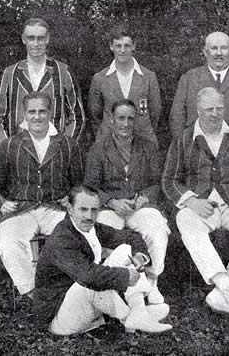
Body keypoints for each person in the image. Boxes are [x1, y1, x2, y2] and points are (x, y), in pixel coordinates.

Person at [162, 87, 229, 322]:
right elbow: (169, 180)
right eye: (209, 109)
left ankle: (223, 290)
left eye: (219, 108)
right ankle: (226, 288)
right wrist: (191, 201)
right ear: (198, 110)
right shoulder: (183, 139)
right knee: (186, 221)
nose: (214, 114)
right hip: (202, 206)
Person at [0, 91, 84, 297]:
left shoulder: (67, 144)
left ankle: (74, 291)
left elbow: (79, 183)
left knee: (77, 237)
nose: (37, 116)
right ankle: (34, 293)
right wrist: (1, 203)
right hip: (21, 209)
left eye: (42, 111)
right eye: (32, 112)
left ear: (50, 113)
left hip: (55, 207)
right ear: (24, 114)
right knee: (9, 244)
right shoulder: (9, 144)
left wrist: (72, 197)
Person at [34, 185, 172, 335]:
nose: (89, 216)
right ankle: (129, 316)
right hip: (60, 318)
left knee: (125, 250)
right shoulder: (62, 238)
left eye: (94, 210)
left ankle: (139, 311)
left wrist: (139, 255)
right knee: (88, 283)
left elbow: (131, 238)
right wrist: (125, 276)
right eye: (83, 209)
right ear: (70, 208)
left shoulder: (92, 227)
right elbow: (87, 276)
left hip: (83, 303)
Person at [84, 99, 170, 305]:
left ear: (136, 121)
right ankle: (113, 285)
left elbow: (158, 182)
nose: (125, 123)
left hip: (138, 206)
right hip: (109, 207)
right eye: (121, 118)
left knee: (156, 228)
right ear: (111, 120)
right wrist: (112, 201)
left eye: (130, 118)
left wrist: (144, 197)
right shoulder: (99, 148)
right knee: (101, 234)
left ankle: (151, 280)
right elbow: (90, 186)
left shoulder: (147, 147)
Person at [0, 17, 85, 146]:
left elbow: (78, 117)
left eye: (40, 38)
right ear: (23, 39)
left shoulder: (63, 72)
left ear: (47, 39)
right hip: (19, 154)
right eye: (31, 38)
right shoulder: (10, 73)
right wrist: (7, 150)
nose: (36, 43)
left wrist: (64, 148)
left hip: (54, 154)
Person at [169, 31, 229, 148]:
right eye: (214, 48)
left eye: (223, 48)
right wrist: (185, 149)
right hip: (198, 152)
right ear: (205, 52)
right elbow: (177, 117)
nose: (219, 53)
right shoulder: (189, 79)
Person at [88, 24, 161, 146]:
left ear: (134, 46)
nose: (122, 50)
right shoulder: (100, 78)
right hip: (109, 143)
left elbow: (155, 112)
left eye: (127, 45)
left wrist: (143, 130)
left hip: (143, 143)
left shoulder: (148, 76)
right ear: (111, 46)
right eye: (118, 46)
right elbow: (95, 114)